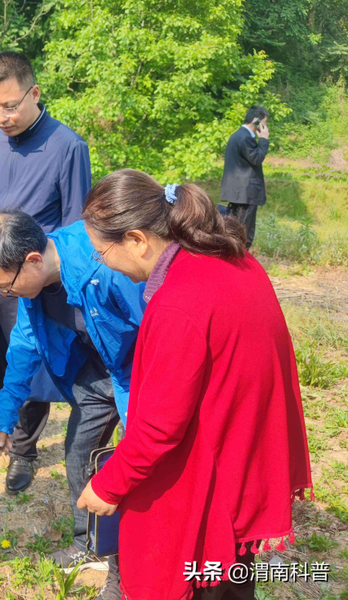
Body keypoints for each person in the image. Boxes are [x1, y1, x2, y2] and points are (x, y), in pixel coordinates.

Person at [78, 169, 312, 600]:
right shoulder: (232, 259)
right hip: (247, 449)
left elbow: (159, 426)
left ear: (136, 240)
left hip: (213, 472)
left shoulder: (179, 303)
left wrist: (108, 485)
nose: (103, 263)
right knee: (233, 577)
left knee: (195, 576)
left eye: (101, 252)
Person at [0, 211, 144, 582]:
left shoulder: (107, 263)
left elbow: (158, 326)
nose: (4, 295)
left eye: (6, 286)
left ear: (33, 261)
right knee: (80, 454)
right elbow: (25, 340)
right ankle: (91, 545)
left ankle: (139, 556)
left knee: (142, 467)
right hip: (94, 376)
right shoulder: (35, 282)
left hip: (140, 375)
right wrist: (4, 411)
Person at [0, 51, 92, 495]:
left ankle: (24, 450)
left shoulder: (67, 146)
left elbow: (75, 224)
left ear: (34, 93)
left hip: (34, 281)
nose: (1, 117)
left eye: (10, 106)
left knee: (30, 364)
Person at [220, 106, 270, 247]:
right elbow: (257, 158)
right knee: (244, 233)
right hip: (245, 194)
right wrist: (264, 140)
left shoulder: (238, 135)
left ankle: (235, 261)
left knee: (235, 231)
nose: (265, 127)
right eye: (263, 123)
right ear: (256, 121)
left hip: (238, 193)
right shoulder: (245, 137)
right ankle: (241, 263)